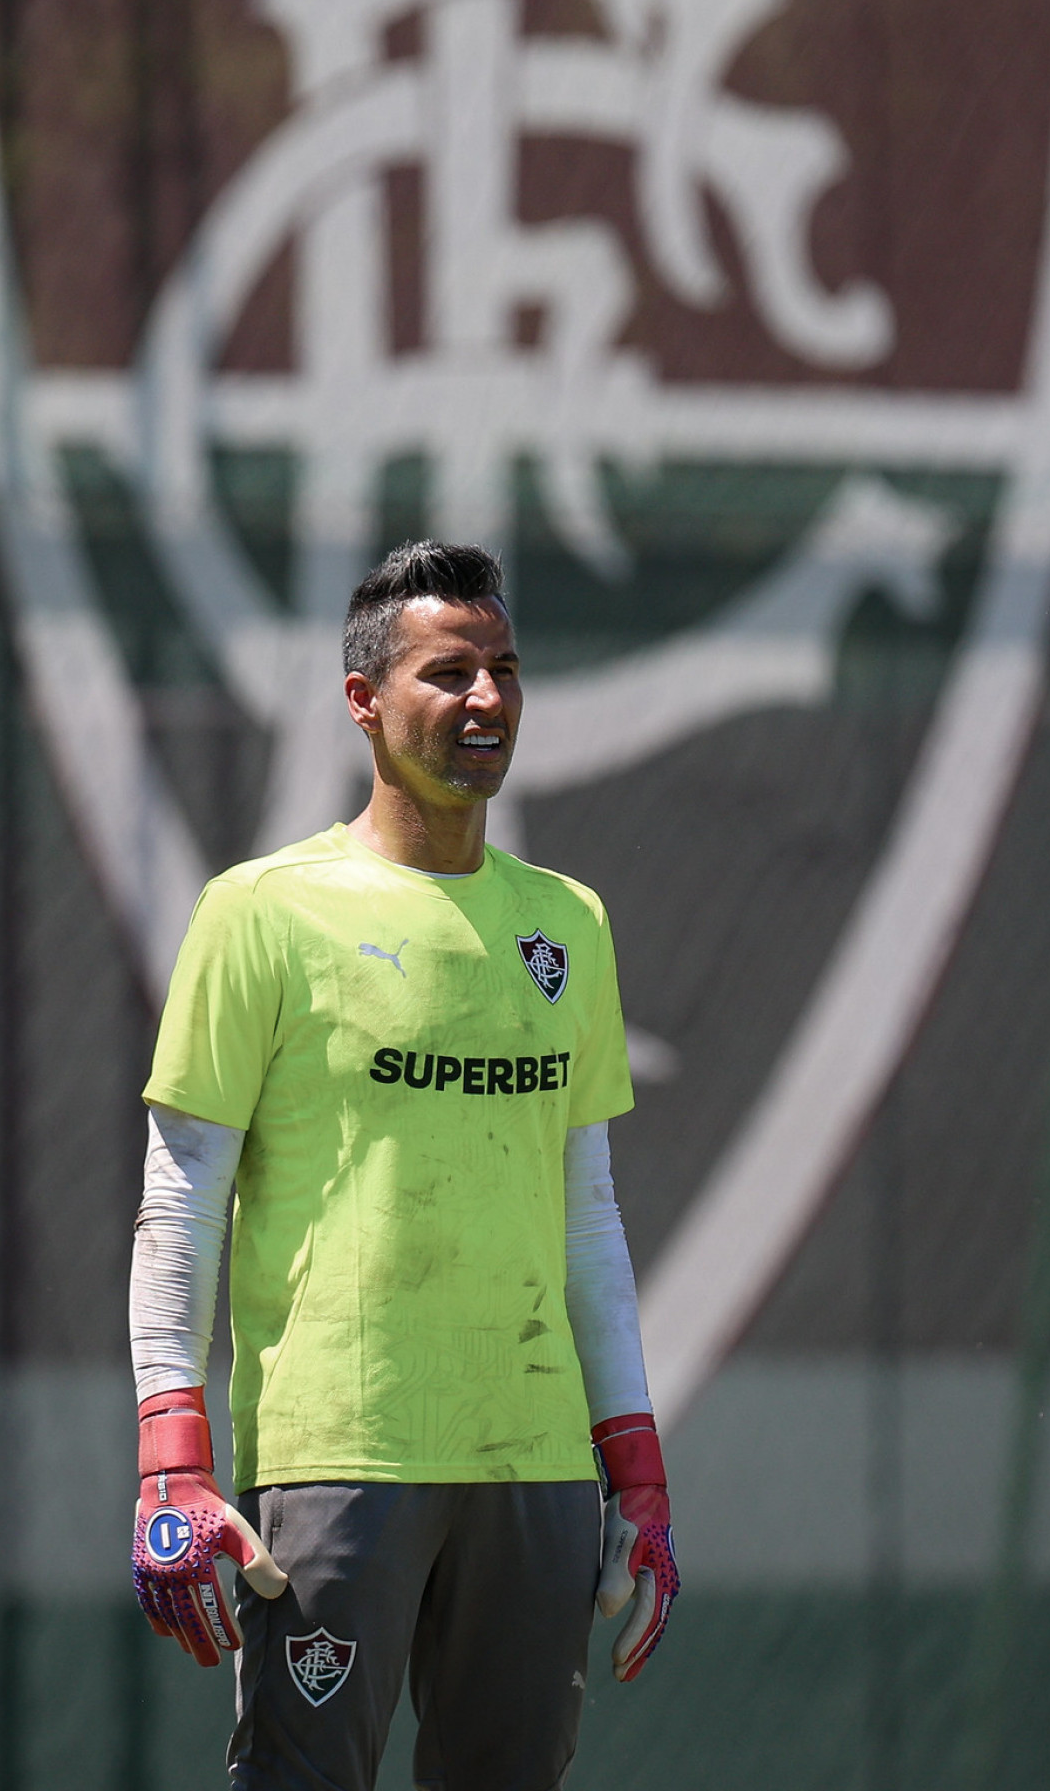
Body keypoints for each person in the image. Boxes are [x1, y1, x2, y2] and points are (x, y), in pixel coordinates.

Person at [127, 538, 678, 1790]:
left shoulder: (567, 923)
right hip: (337, 1462)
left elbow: (586, 1213)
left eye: (505, 668)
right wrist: (174, 1456)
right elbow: (180, 1201)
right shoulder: (260, 911)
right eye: (449, 671)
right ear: (363, 703)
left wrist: (634, 1475)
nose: (487, 698)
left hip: (535, 1472)